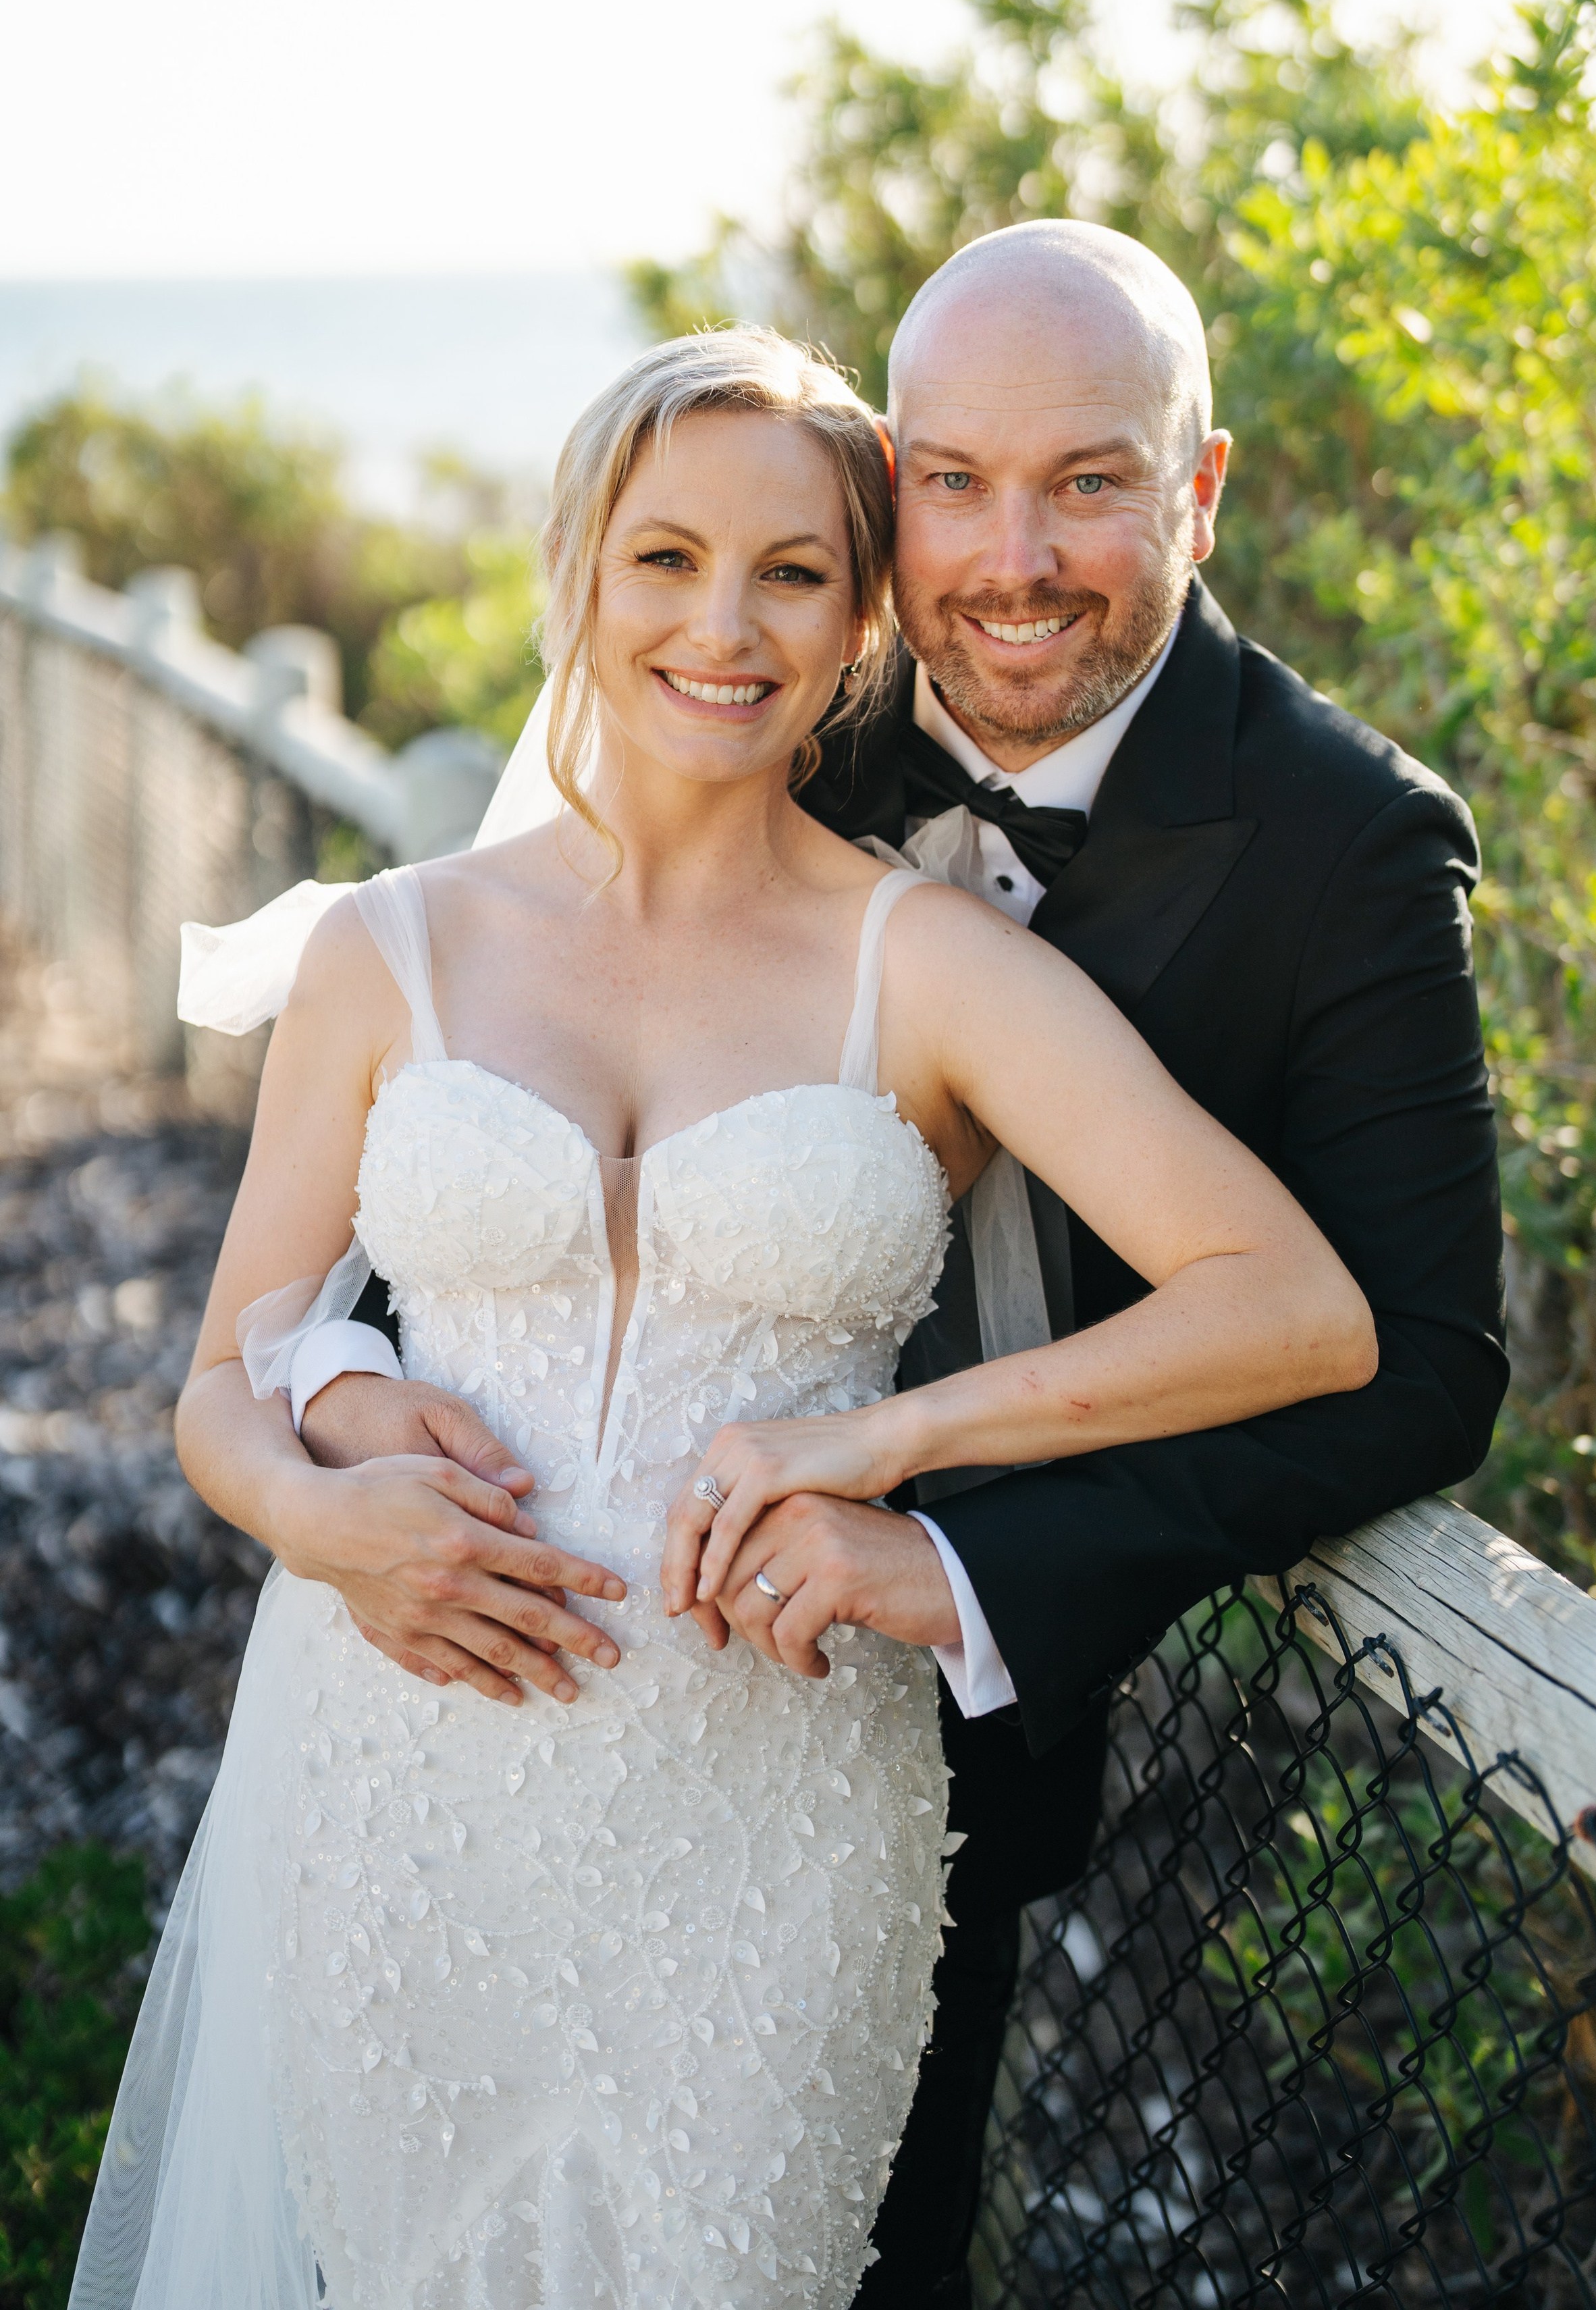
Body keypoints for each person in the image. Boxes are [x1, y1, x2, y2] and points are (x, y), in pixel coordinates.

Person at [74, 320, 1379, 2310]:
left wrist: (887, 1445)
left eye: (792, 572)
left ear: (865, 618)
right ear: (582, 572)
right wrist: (318, 1518)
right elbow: (226, 1375)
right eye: (668, 557)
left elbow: (1295, 1310)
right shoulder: (389, 946)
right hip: (405, 1795)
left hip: (770, 1829)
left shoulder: (927, 964)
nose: (726, 626)